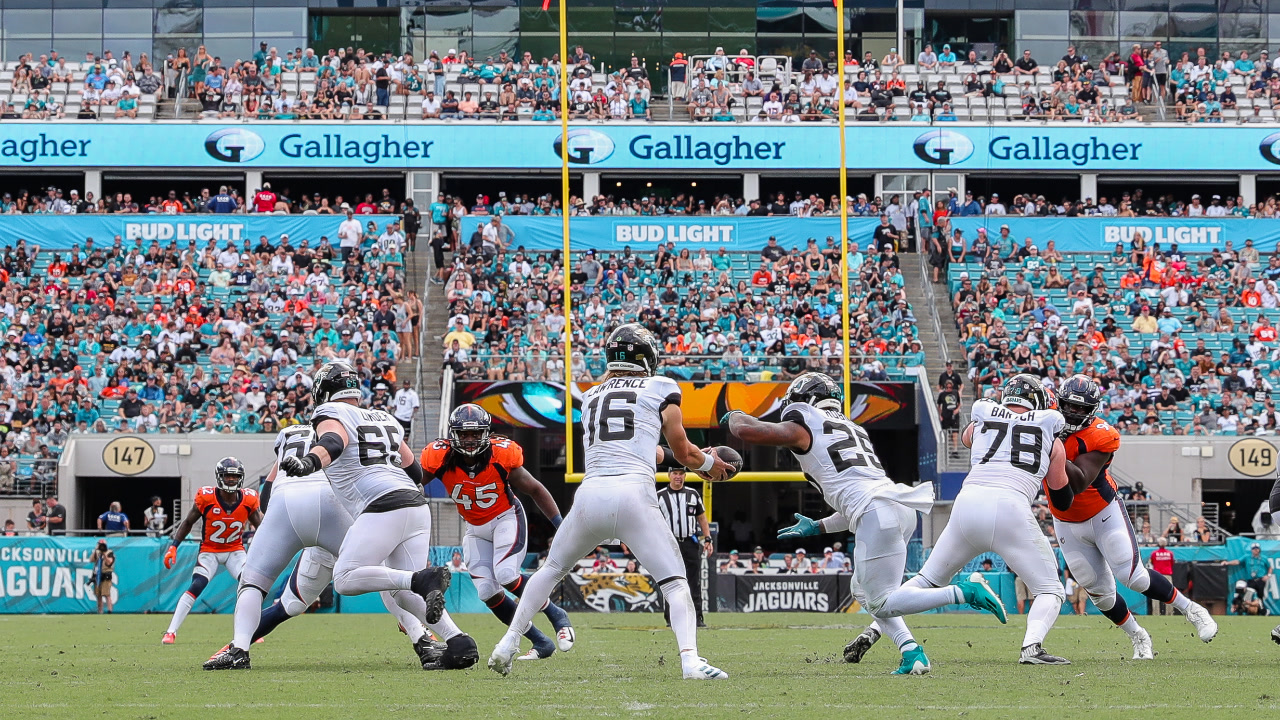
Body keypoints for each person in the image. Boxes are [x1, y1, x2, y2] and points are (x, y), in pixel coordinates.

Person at [488, 324, 731, 680]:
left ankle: (507, 643)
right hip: (634, 495)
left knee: (550, 570)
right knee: (675, 583)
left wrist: (691, 456)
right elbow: (683, 453)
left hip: (590, 496)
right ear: (647, 357)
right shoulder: (662, 387)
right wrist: (709, 464)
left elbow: (646, 448)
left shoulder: (591, 395)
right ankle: (690, 661)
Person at [724, 372, 1000, 675]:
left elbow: (749, 431)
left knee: (881, 602)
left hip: (876, 510)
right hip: (895, 505)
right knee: (862, 590)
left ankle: (964, 592)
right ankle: (911, 651)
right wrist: (818, 526)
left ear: (805, 400)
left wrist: (735, 414)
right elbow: (854, 504)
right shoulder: (851, 427)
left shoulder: (806, 421)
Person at [205, 425, 466, 671]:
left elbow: (267, 493)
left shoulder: (289, 433)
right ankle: (422, 639)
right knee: (381, 570)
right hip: (334, 509)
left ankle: (238, 648)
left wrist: (274, 526)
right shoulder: (344, 426)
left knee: (260, 587)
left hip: (286, 504)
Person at [277, 362, 465, 658]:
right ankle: (459, 642)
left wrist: (309, 462)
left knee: (345, 578)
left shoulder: (331, 412)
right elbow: (415, 471)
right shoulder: (384, 417)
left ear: (323, 391)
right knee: (404, 595)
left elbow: (333, 442)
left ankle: (421, 579)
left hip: (382, 505)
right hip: (415, 505)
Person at [902, 375, 1071, 664]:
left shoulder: (984, 416)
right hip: (1011, 509)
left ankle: (876, 627)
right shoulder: (1050, 434)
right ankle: (1031, 647)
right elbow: (1062, 497)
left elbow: (967, 437)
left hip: (968, 503)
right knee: (1050, 590)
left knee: (926, 580)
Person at [1051, 375, 1216, 660]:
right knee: (1098, 592)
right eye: (1070, 406)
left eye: (1081, 408)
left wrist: (1049, 445)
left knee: (1133, 577)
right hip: (1065, 520)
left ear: (1092, 409)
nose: (1074, 412)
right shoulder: (1045, 423)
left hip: (1102, 513)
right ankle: (1138, 635)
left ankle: (1191, 609)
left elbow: (1077, 482)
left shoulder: (1100, 434)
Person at [422, 404, 573, 661]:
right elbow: (413, 484)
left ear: (486, 433)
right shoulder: (439, 458)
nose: (470, 440)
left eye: (475, 434)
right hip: (475, 528)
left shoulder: (501, 454)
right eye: (464, 434)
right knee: (487, 592)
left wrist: (561, 525)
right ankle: (540, 641)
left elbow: (535, 489)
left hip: (506, 518)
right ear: (453, 435)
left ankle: (556, 614)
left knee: (506, 575)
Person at [161, 458, 263, 644]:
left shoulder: (249, 499)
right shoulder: (206, 497)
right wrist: (173, 546)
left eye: (235, 476)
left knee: (249, 586)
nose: (231, 479)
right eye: (227, 475)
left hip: (235, 550)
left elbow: (262, 527)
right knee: (197, 585)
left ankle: (251, 632)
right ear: (219, 477)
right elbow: (187, 523)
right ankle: (170, 632)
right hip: (210, 551)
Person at [657, 467, 711, 628]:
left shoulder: (692, 494)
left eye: (681, 473)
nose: (678, 476)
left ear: (685, 476)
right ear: (669, 475)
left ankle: (697, 617)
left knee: (693, 581)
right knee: (670, 581)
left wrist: (708, 538)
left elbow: (702, 517)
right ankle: (671, 618)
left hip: (689, 542)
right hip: (669, 544)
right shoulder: (660, 496)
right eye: (675, 473)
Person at [88, 540, 116, 614]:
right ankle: (100, 611)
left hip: (106, 575)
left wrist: (104, 555)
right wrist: (95, 551)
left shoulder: (109, 552)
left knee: (106, 594)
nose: (101, 546)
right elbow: (91, 560)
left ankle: (110, 610)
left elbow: (109, 562)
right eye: (100, 544)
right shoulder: (97, 553)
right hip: (98, 576)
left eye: (102, 545)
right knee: (98, 594)